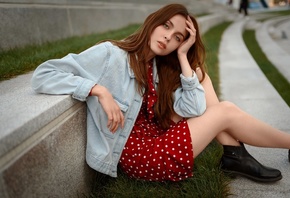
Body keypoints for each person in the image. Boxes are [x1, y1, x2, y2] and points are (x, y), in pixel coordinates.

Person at [31, 4, 290, 183]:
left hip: (156, 137)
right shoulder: (112, 55)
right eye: (166, 26)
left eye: (178, 37)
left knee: (199, 75)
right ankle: (240, 153)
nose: (168, 38)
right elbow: (44, 74)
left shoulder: (157, 68)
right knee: (226, 111)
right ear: (153, 22)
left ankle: (234, 155)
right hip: (140, 156)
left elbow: (194, 108)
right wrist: (98, 90)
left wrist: (182, 57)